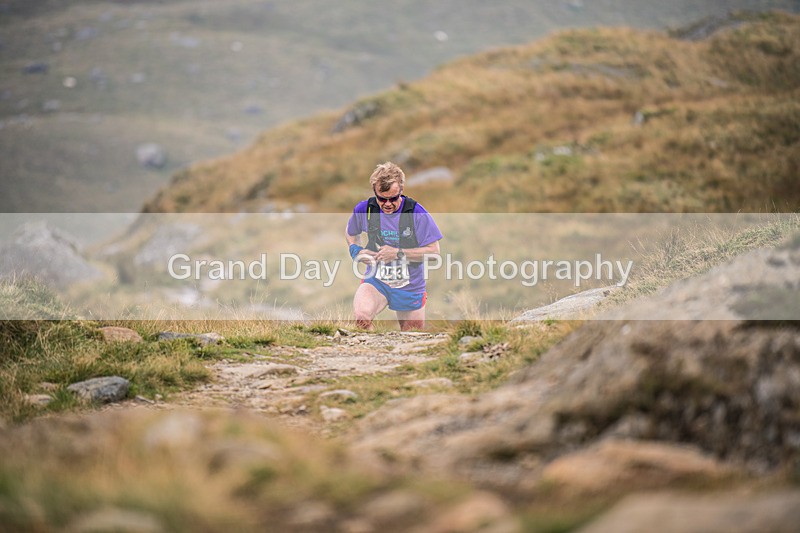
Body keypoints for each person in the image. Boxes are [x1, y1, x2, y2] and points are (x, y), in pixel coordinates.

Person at [345, 162, 442, 331]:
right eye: (382, 199)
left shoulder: (416, 213)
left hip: (410, 286)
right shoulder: (366, 209)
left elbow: (434, 252)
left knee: (412, 337)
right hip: (376, 281)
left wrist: (397, 253)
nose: (388, 204)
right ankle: (370, 349)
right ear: (375, 192)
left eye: (393, 198)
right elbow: (350, 232)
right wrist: (356, 251)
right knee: (361, 318)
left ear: (401, 190)